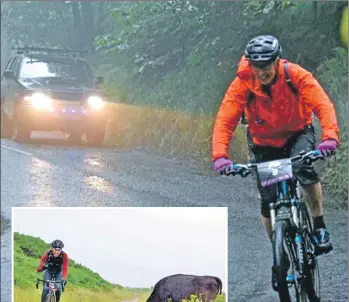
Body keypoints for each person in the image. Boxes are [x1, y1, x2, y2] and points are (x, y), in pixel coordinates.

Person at [212, 34, 339, 284]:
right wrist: (220, 156)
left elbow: (322, 105)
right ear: (250, 64)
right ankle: (281, 254)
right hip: (264, 143)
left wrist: (329, 138)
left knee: (304, 172)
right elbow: (225, 120)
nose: (262, 72)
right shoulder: (242, 84)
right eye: (256, 66)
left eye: (266, 65)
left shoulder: (295, 75)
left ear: (276, 61)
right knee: (268, 202)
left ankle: (319, 224)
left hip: (297, 133)